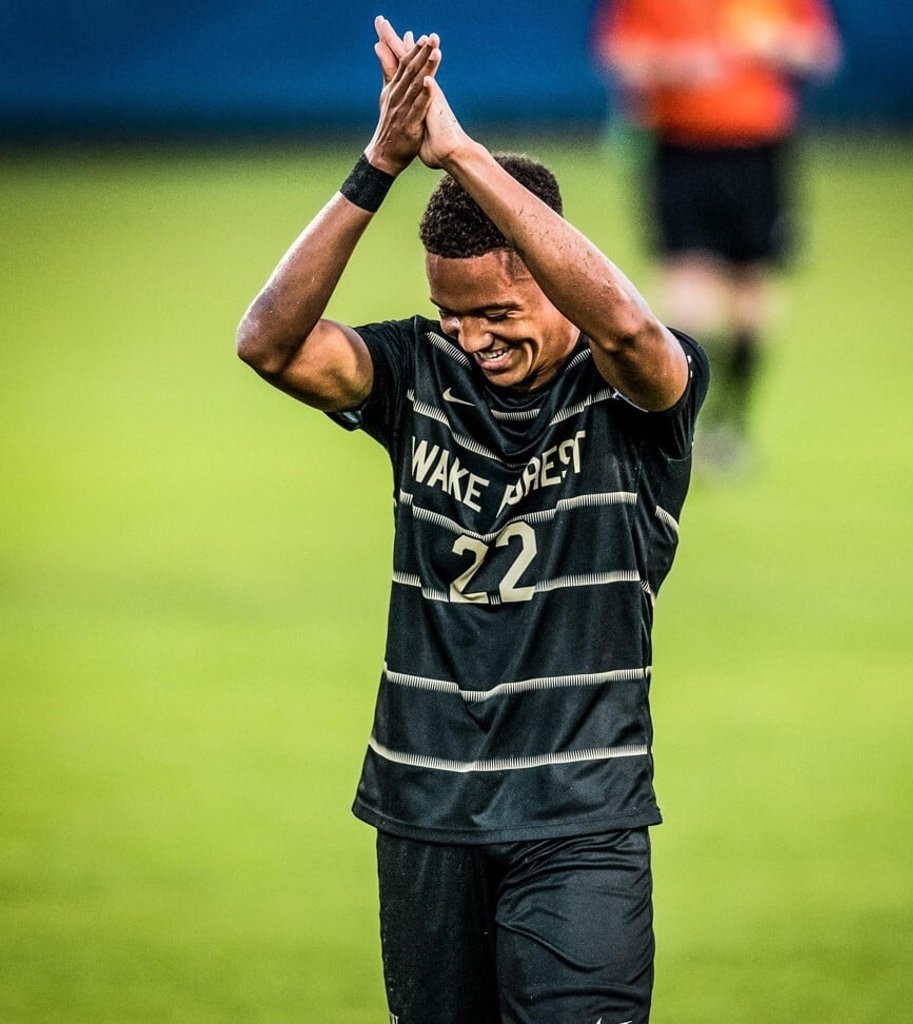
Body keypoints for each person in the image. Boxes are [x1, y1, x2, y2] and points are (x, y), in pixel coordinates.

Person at [237, 16, 707, 1023]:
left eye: (498, 313)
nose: (474, 338)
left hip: (580, 815)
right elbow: (268, 344)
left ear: (553, 275)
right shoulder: (414, 372)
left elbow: (630, 328)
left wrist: (459, 153)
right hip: (422, 808)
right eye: (453, 315)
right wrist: (379, 163)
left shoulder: (635, 392)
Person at [595, 0, 841, 471]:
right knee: (688, 297)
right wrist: (677, 66)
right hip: (681, 149)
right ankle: (680, 424)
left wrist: (776, 46)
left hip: (757, 151)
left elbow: (821, 52)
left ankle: (729, 422)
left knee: (753, 296)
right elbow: (619, 55)